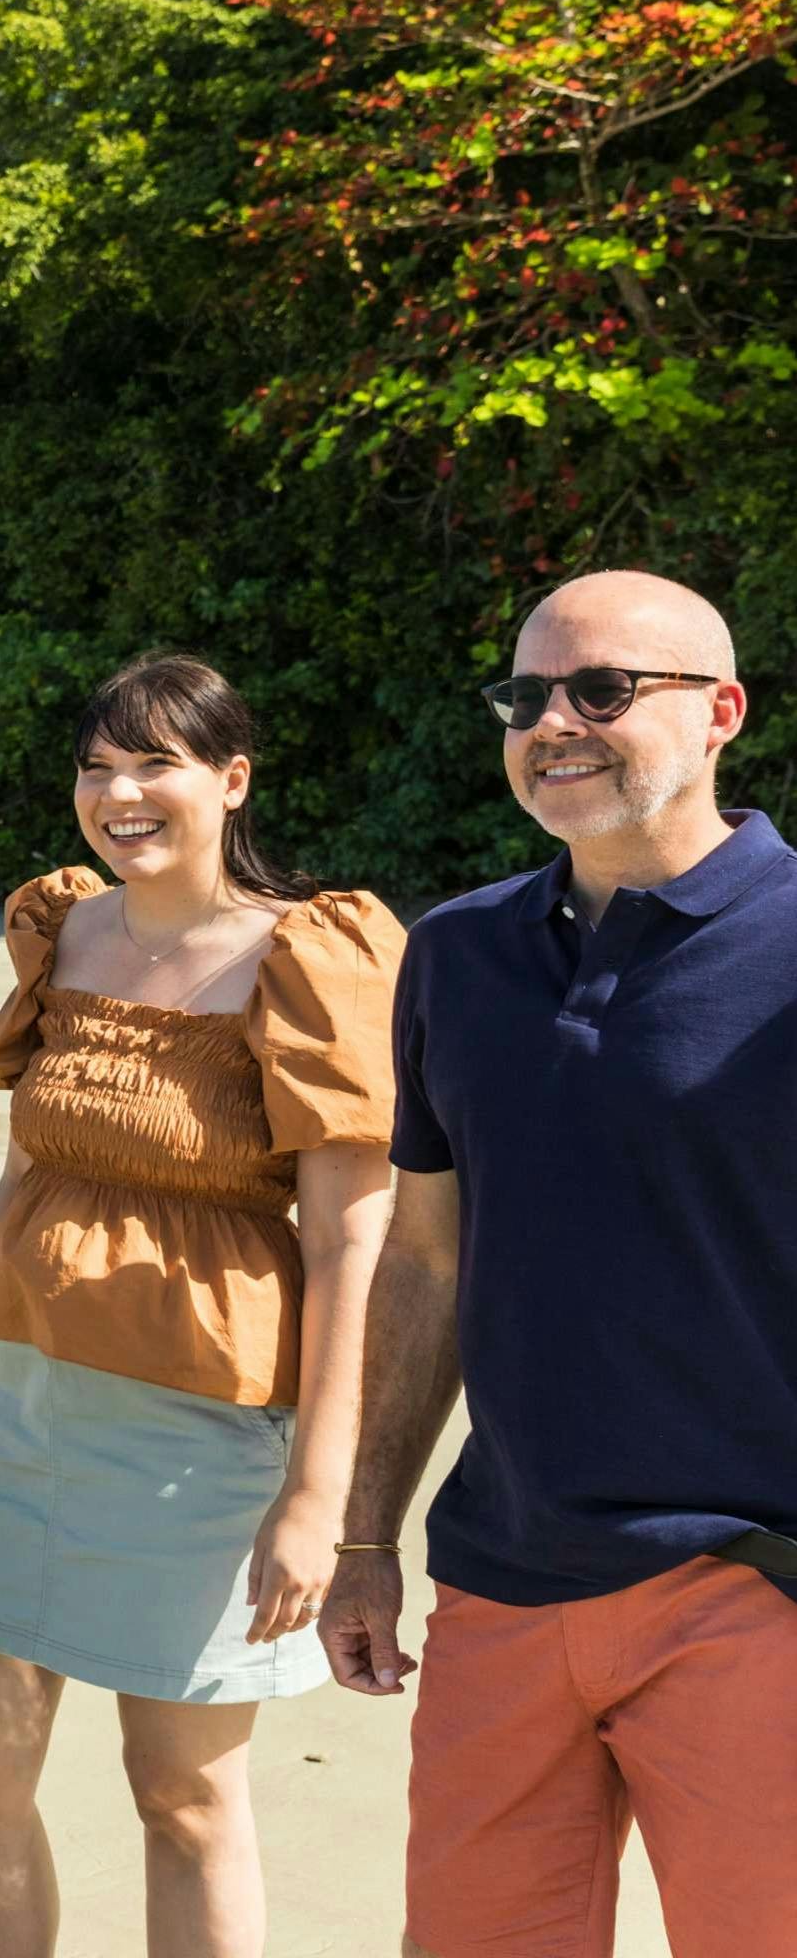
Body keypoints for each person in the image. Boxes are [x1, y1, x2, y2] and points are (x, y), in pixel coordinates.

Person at [318, 571, 797, 1958]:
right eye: (525, 697)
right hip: (498, 1586)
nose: (551, 725)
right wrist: (362, 1535)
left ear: (719, 714)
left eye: (600, 690)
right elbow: (419, 1260)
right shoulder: (457, 954)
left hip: (753, 1584)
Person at [0, 656, 401, 1958]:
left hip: (202, 1440)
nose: (117, 792)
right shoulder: (62, 925)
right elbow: (27, 1168)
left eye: (154, 763)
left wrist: (321, 1497)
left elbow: (353, 1239)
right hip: (21, 1405)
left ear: (230, 781)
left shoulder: (306, 955)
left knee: (180, 1795)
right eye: (95, 765)